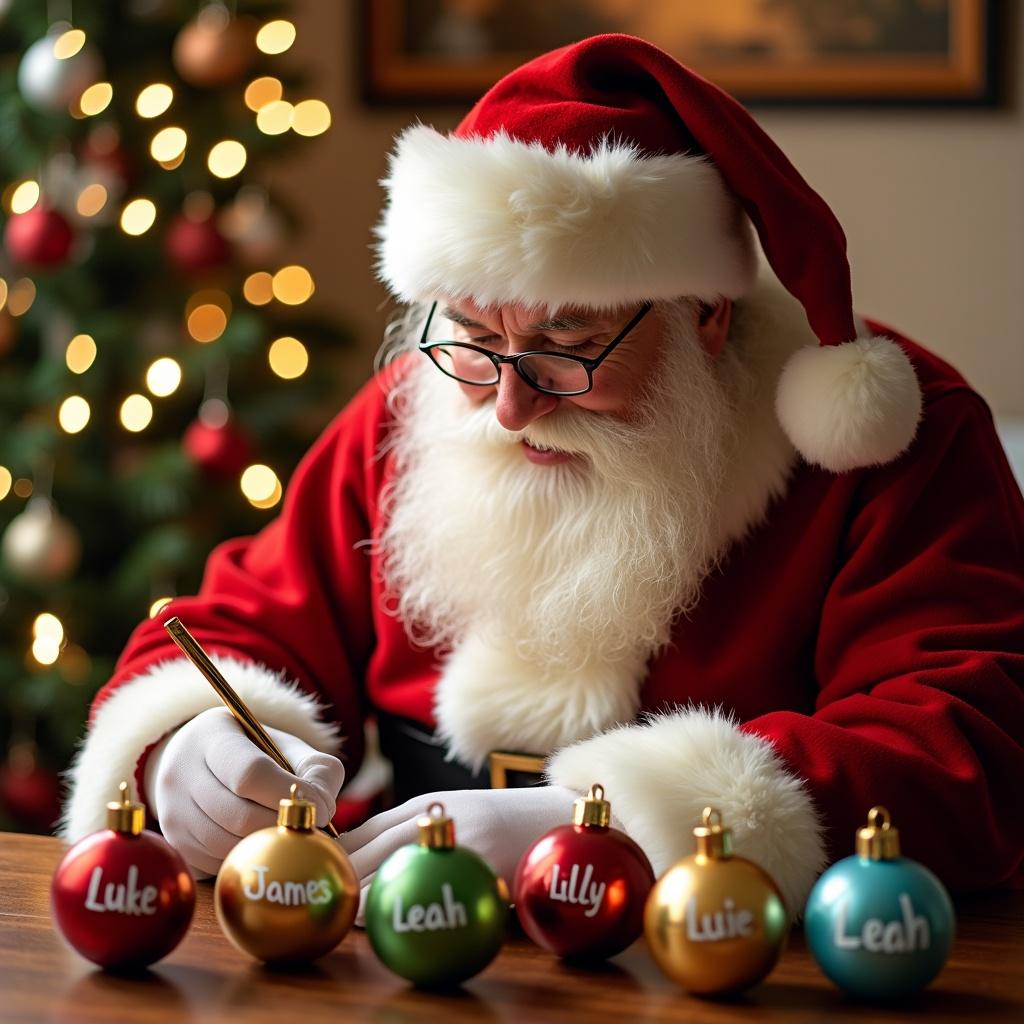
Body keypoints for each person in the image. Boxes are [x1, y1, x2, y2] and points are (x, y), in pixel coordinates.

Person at [61, 34, 1023, 914]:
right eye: (474, 337)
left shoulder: (898, 440)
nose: (510, 406)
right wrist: (186, 747)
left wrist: (633, 822)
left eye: (570, 344)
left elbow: (968, 745)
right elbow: (236, 622)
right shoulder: (416, 410)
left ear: (707, 314)